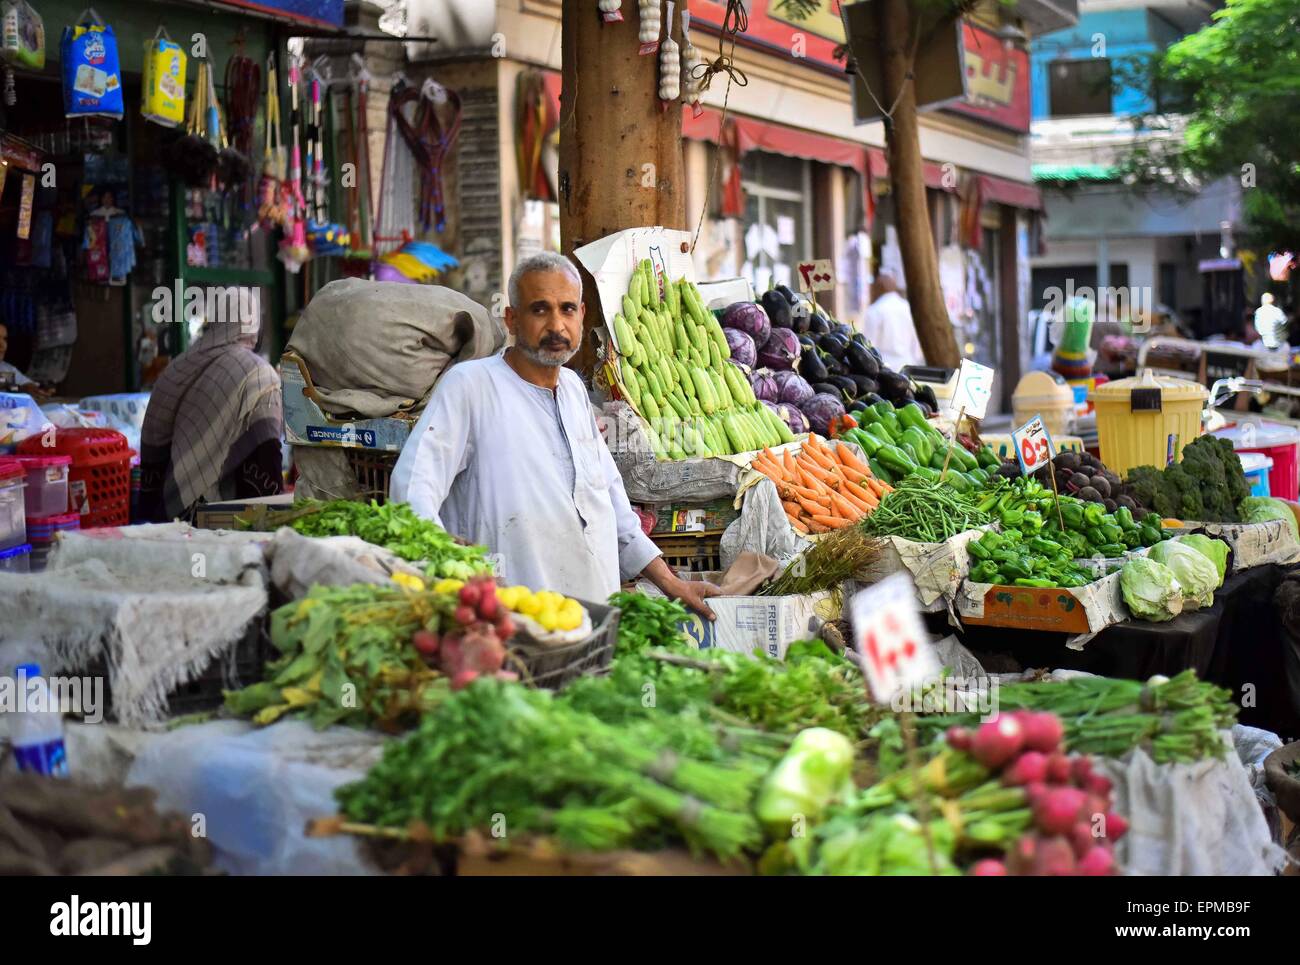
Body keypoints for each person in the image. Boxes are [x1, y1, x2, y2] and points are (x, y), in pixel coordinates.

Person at [391, 251, 720, 617]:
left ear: (581, 315)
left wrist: (671, 583)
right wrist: (448, 566)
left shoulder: (574, 391)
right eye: (539, 310)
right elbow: (412, 488)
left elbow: (610, 501)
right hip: (511, 625)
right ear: (512, 318)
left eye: (566, 310)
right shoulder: (470, 386)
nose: (556, 326)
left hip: (594, 621)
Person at [138, 313, 283, 522]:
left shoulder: (181, 364)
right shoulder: (258, 373)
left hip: (166, 505)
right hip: (221, 517)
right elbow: (266, 449)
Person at [859, 267, 924, 372]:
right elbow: (917, 343)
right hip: (908, 366)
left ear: (879, 287)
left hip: (884, 369)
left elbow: (868, 346)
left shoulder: (874, 311)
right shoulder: (907, 307)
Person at [0, 323, 52, 398]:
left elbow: (25, 386)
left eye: (4, 339)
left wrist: (37, 389)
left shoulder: (7, 368)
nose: (2, 345)